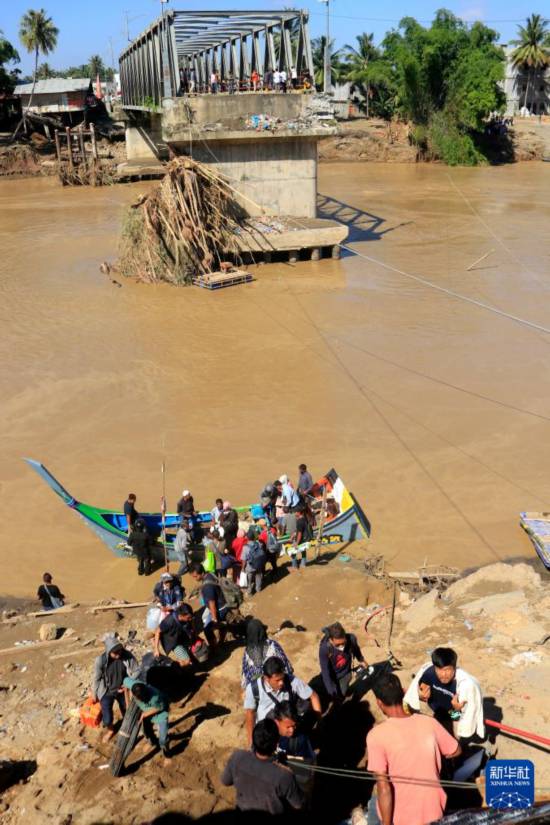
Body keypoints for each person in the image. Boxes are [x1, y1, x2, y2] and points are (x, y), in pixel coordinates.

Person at [367, 674, 460, 825]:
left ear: (379, 703)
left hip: (401, 819)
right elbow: (456, 750)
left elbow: (384, 788)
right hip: (434, 812)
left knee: (373, 803)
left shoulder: (375, 736)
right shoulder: (429, 723)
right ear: (404, 692)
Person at [221, 719, 304, 815]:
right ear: (276, 744)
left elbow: (225, 781)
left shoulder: (237, 757)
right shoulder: (285, 776)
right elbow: (298, 805)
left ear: (253, 739)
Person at [404, 647, 484, 742]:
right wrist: (421, 696)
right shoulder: (429, 673)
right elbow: (420, 690)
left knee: (454, 740)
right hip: (435, 711)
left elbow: (459, 717)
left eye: (447, 670)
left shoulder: (464, 686)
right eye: (439, 669)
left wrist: (456, 709)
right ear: (434, 667)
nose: (443, 674)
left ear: (454, 668)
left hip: (451, 715)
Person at [244, 656, 321, 747]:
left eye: (282, 678)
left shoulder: (290, 680)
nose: (281, 683)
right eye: (277, 680)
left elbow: (314, 696)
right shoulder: (253, 689)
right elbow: (250, 714)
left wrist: (319, 722)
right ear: (266, 678)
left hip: (288, 727)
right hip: (268, 733)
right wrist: (251, 741)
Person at [91, 635, 139, 742]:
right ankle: (110, 730)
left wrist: (128, 683)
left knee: (127, 711)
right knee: (107, 718)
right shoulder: (101, 660)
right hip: (107, 690)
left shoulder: (127, 656)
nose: (118, 654)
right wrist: (94, 693)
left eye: (119, 651)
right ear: (108, 652)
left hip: (123, 690)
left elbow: (137, 670)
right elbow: (96, 678)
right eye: (115, 653)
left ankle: (127, 727)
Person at [272, 701, 316, 800]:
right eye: (288, 727)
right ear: (277, 722)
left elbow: (306, 768)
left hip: (299, 771)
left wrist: (283, 763)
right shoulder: (267, 730)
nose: (292, 730)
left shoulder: (300, 739)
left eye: (294, 725)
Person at [123, 676, 171, 761]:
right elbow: (125, 682)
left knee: (163, 739)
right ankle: (153, 742)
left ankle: (166, 750)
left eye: (137, 698)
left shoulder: (155, 696)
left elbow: (161, 707)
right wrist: (127, 703)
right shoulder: (134, 685)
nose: (135, 698)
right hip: (146, 711)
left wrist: (145, 714)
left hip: (160, 713)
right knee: (146, 732)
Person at [319, 621, 366, 700]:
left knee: (341, 695)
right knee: (330, 694)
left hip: (345, 674)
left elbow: (356, 650)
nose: (342, 647)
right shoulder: (324, 649)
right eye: (337, 645)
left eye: (344, 643)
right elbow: (325, 672)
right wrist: (332, 692)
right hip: (332, 675)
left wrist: (362, 660)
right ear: (331, 640)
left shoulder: (351, 638)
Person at [241, 618, 293, 688]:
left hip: (256, 688)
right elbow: (286, 666)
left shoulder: (247, 651)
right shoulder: (272, 645)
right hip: (277, 683)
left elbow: (245, 677)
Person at [189, 562, 229, 647]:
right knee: (216, 624)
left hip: (219, 609)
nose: (194, 579)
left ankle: (213, 647)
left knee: (207, 630)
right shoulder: (210, 574)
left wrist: (214, 619)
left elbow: (212, 603)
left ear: (202, 573)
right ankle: (221, 639)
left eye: (195, 576)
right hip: (222, 604)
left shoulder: (207, 587)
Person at [154, 602, 196, 667]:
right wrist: (156, 649)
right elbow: (157, 631)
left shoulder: (185, 618)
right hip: (173, 642)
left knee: (190, 651)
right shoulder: (169, 621)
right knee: (187, 660)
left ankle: (186, 664)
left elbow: (191, 625)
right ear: (181, 616)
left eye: (191, 617)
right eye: (188, 618)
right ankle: (174, 668)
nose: (190, 619)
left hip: (181, 636)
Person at [241, 527, 266, 595]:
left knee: (249, 580)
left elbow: (244, 560)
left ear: (247, 538)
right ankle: (258, 589)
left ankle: (250, 592)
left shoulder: (245, 547)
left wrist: (243, 568)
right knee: (258, 577)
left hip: (250, 566)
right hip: (259, 564)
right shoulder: (259, 544)